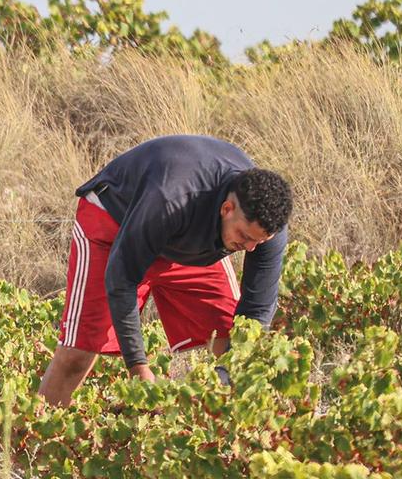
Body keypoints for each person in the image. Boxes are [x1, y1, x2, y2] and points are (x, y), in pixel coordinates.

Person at [39, 134, 293, 407]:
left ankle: (223, 443)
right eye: (244, 237)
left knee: (231, 339)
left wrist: (228, 376)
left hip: (188, 237)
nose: (251, 249)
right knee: (77, 355)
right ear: (226, 208)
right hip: (115, 224)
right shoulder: (171, 199)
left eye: (259, 241)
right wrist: (138, 368)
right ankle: (31, 440)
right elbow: (121, 278)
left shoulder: (265, 228)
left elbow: (255, 314)